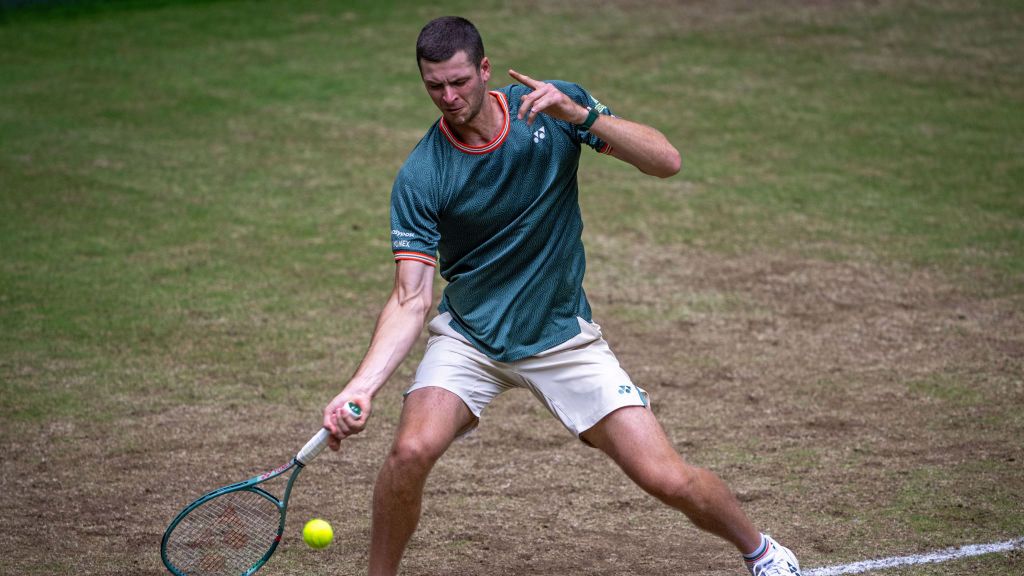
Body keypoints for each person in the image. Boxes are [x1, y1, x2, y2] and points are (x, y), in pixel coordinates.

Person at [322, 15, 802, 576]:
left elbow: (665, 161)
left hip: (559, 335)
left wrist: (582, 115)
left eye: (459, 81)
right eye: (434, 86)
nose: (449, 97)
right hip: (472, 336)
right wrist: (362, 386)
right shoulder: (423, 174)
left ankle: (763, 551)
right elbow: (410, 299)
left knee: (665, 477)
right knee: (410, 451)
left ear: (484, 70)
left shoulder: (551, 109)